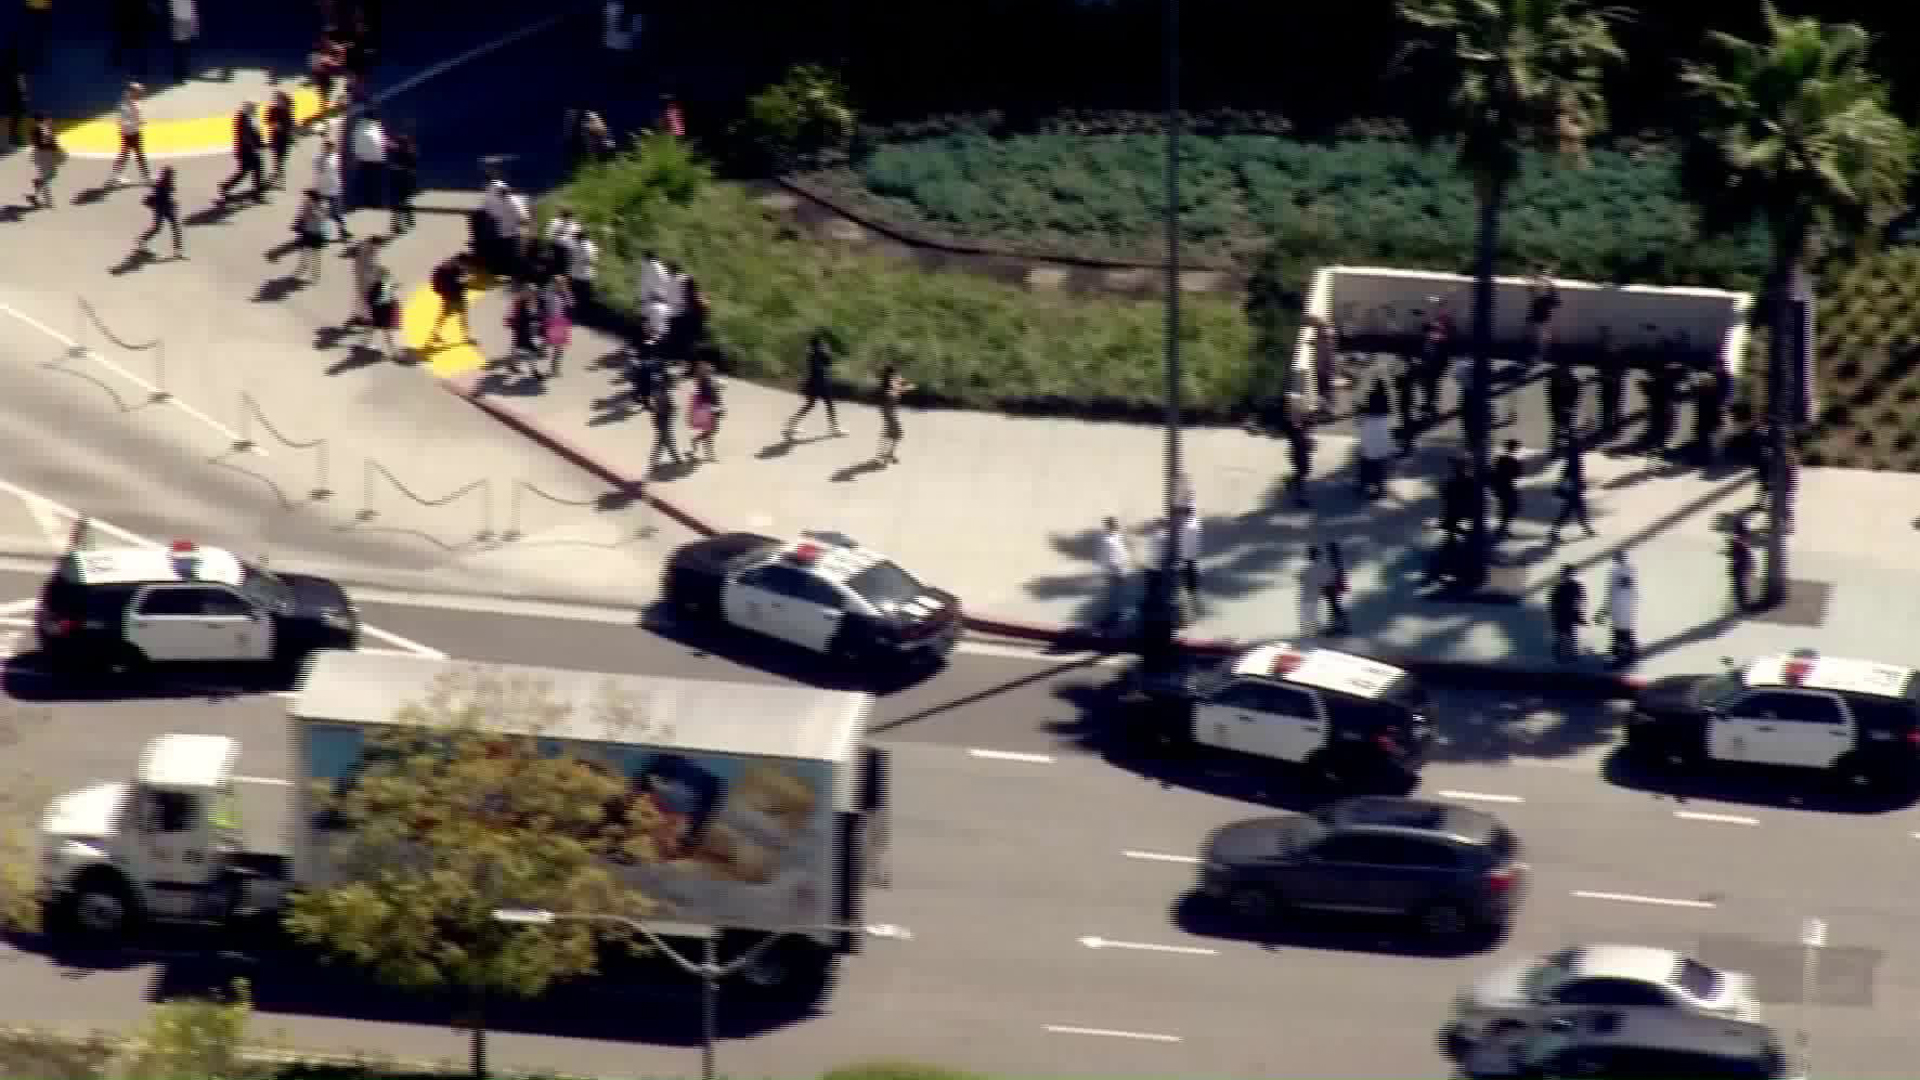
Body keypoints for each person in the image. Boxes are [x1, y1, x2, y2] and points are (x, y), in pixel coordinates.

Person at [785, 332, 843, 438]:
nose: (824, 345)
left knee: (810, 405)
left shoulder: (811, 353)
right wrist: (827, 351)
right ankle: (834, 428)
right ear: (819, 344)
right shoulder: (820, 353)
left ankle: (791, 424)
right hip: (821, 383)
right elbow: (829, 362)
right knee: (829, 405)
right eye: (823, 344)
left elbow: (822, 364)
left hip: (811, 383)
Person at [217, 102, 267, 203]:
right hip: (246, 150)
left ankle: (226, 187)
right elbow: (246, 136)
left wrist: (260, 143)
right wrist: (256, 146)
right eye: (254, 107)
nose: (256, 109)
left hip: (247, 149)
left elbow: (255, 133)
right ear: (249, 108)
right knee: (251, 170)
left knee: (251, 171)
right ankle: (256, 194)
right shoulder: (243, 119)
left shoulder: (247, 117)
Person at [1355, 379, 1395, 499]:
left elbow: (1359, 421)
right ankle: (1379, 489)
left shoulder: (1367, 416)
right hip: (1381, 440)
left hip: (1369, 440)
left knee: (1366, 462)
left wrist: (1360, 410)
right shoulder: (1385, 414)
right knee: (1379, 464)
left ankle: (1364, 485)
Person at [1548, 443, 1595, 544]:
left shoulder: (1573, 460)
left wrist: (1580, 485)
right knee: (1572, 511)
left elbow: (1572, 475)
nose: (1582, 451)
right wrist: (1579, 485)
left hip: (1573, 490)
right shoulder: (1574, 461)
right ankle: (1553, 532)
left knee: (1575, 510)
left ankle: (1586, 528)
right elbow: (1572, 476)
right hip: (1573, 491)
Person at [1599, 551, 1639, 667]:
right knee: (1622, 633)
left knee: (1622, 634)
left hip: (1623, 607)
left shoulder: (1626, 570)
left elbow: (1625, 585)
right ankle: (1627, 654)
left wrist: (1608, 605)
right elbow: (1611, 590)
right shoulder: (1617, 571)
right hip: (1619, 607)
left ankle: (1622, 658)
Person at [134, 165, 183, 259]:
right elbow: (160, 195)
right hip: (162, 208)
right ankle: (141, 241)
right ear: (166, 175)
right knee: (162, 228)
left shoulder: (165, 183)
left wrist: (172, 203)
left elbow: (166, 193)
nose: (172, 177)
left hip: (166, 208)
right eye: (170, 175)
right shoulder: (162, 184)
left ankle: (178, 250)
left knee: (172, 228)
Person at [108, 82, 151, 188]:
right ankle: (146, 177)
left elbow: (136, 115)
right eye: (139, 92)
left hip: (134, 132)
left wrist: (139, 120)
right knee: (133, 155)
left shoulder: (134, 102)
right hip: (129, 134)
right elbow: (121, 122)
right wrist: (138, 122)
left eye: (141, 92)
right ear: (131, 92)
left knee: (129, 155)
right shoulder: (124, 106)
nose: (141, 94)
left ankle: (115, 177)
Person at [1095, 516, 1132, 635]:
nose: (1116, 526)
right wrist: (1118, 572)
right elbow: (1110, 559)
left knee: (1118, 595)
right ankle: (1111, 620)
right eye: (1113, 524)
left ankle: (1114, 618)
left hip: (1120, 570)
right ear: (1109, 526)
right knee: (1114, 596)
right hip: (1114, 572)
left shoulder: (1116, 536)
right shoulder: (1107, 540)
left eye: (1115, 524)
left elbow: (1122, 553)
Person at [312, 137, 352, 239]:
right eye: (327, 147)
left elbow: (342, 170)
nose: (329, 149)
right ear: (324, 147)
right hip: (322, 190)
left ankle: (342, 231)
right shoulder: (318, 158)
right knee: (323, 213)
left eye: (331, 147)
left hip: (335, 189)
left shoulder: (336, 158)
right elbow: (318, 171)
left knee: (337, 212)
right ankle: (321, 232)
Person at [426, 254, 470, 346]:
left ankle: (465, 337)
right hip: (451, 298)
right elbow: (437, 287)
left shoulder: (453, 270)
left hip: (455, 297)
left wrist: (462, 286)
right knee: (449, 318)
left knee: (451, 318)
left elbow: (463, 281)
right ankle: (434, 337)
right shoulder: (442, 272)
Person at [874, 364, 914, 467]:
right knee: (893, 434)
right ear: (890, 374)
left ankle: (888, 454)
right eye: (894, 374)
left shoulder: (893, 381)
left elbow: (906, 385)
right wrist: (904, 388)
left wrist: (903, 381)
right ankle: (882, 455)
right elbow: (894, 393)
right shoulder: (887, 384)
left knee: (892, 434)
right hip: (888, 412)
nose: (897, 375)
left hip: (890, 411)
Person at [687, 357, 724, 462]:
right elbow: (709, 396)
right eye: (709, 368)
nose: (711, 369)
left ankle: (695, 441)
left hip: (713, 407)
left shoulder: (708, 380)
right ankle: (710, 455)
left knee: (713, 431)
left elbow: (715, 394)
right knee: (711, 431)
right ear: (703, 370)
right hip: (710, 409)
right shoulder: (704, 381)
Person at [1548, 565, 1587, 664]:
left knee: (1566, 635)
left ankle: (1566, 654)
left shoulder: (1562, 587)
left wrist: (1580, 614)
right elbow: (1582, 601)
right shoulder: (1570, 586)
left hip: (1566, 615)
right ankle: (1567, 654)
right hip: (1566, 615)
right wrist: (1580, 615)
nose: (1565, 576)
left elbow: (1581, 601)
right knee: (1566, 636)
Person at [350, 110, 386, 211]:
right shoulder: (376, 126)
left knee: (365, 181)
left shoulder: (359, 127)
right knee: (375, 182)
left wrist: (356, 155)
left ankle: (364, 201)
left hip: (365, 159)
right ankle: (375, 202)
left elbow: (355, 142)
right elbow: (381, 141)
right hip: (377, 158)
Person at [504, 284, 543, 375]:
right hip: (522, 330)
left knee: (518, 348)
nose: (533, 294)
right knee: (530, 350)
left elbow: (537, 316)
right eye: (531, 292)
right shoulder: (521, 302)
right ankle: (533, 371)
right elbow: (515, 315)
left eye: (534, 292)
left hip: (529, 330)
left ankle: (512, 365)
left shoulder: (535, 302)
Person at [290, 190, 328, 282]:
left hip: (317, 234)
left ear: (313, 197)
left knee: (316, 256)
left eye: (308, 197)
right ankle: (301, 270)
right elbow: (302, 216)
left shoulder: (323, 205)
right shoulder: (306, 203)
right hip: (307, 233)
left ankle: (315, 276)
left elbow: (323, 218)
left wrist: (312, 210)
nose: (306, 198)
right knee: (304, 254)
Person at [27, 113, 63, 208]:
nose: (50, 120)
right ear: (43, 120)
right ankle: (48, 202)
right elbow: (40, 143)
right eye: (47, 119)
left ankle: (35, 192)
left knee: (52, 174)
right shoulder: (37, 129)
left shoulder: (46, 128)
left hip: (47, 154)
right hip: (43, 154)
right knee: (46, 177)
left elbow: (52, 141)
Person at [363, 265, 399, 360]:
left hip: (379, 314)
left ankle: (365, 343)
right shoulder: (382, 286)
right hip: (382, 314)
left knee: (373, 330)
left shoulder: (379, 286)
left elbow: (371, 300)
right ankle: (394, 353)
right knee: (386, 334)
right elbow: (384, 300)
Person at [387, 128, 419, 233]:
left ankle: (399, 225)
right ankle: (408, 222)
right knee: (405, 202)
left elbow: (398, 164)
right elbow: (412, 167)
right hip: (405, 180)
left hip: (400, 180)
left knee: (399, 203)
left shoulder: (402, 152)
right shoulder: (410, 151)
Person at [541, 275, 573, 379]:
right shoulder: (550, 293)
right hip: (553, 322)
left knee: (553, 344)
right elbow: (544, 297)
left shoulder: (563, 293)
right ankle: (554, 369)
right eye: (559, 283)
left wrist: (566, 291)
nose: (562, 285)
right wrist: (552, 287)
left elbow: (571, 303)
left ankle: (541, 351)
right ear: (553, 284)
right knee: (559, 348)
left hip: (561, 322)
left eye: (563, 283)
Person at [1491, 439, 1523, 539]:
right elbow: (1517, 475)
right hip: (1507, 487)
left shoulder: (1500, 459)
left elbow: (1496, 472)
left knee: (1506, 508)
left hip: (1500, 487)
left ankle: (1502, 529)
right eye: (1516, 447)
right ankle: (1502, 529)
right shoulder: (1513, 460)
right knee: (1511, 508)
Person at [264, 91, 295, 189]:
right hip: (275, 137)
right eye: (276, 99)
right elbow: (267, 120)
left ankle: (276, 178)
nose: (276, 101)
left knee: (280, 160)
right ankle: (278, 179)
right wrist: (275, 125)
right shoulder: (273, 109)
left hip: (285, 138)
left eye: (278, 99)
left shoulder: (287, 109)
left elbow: (291, 123)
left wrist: (292, 134)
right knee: (278, 160)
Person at [1282, 414, 1314, 508]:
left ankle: (1290, 482)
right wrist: (1308, 443)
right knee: (1302, 474)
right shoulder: (1295, 430)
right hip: (1298, 454)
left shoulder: (1300, 429)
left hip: (1301, 454)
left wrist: (1308, 443)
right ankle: (1300, 499)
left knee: (1304, 472)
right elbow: (1299, 442)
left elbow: (1305, 441)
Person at [1725, 521, 1754, 613]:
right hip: (1743, 566)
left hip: (1741, 567)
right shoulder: (1741, 539)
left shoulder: (1739, 541)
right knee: (1740, 587)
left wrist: (1731, 549)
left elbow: (1737, 554)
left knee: (1740, 587)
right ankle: (1743, 606)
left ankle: (1743, 606)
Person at [167, 0, 199, 83]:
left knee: (185, 48)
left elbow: (193, 7)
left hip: (187, 20)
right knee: (180, 49)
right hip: (179, 20)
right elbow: (172, 8)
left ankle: (183, 73)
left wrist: (195, 23)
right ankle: (179, 75)